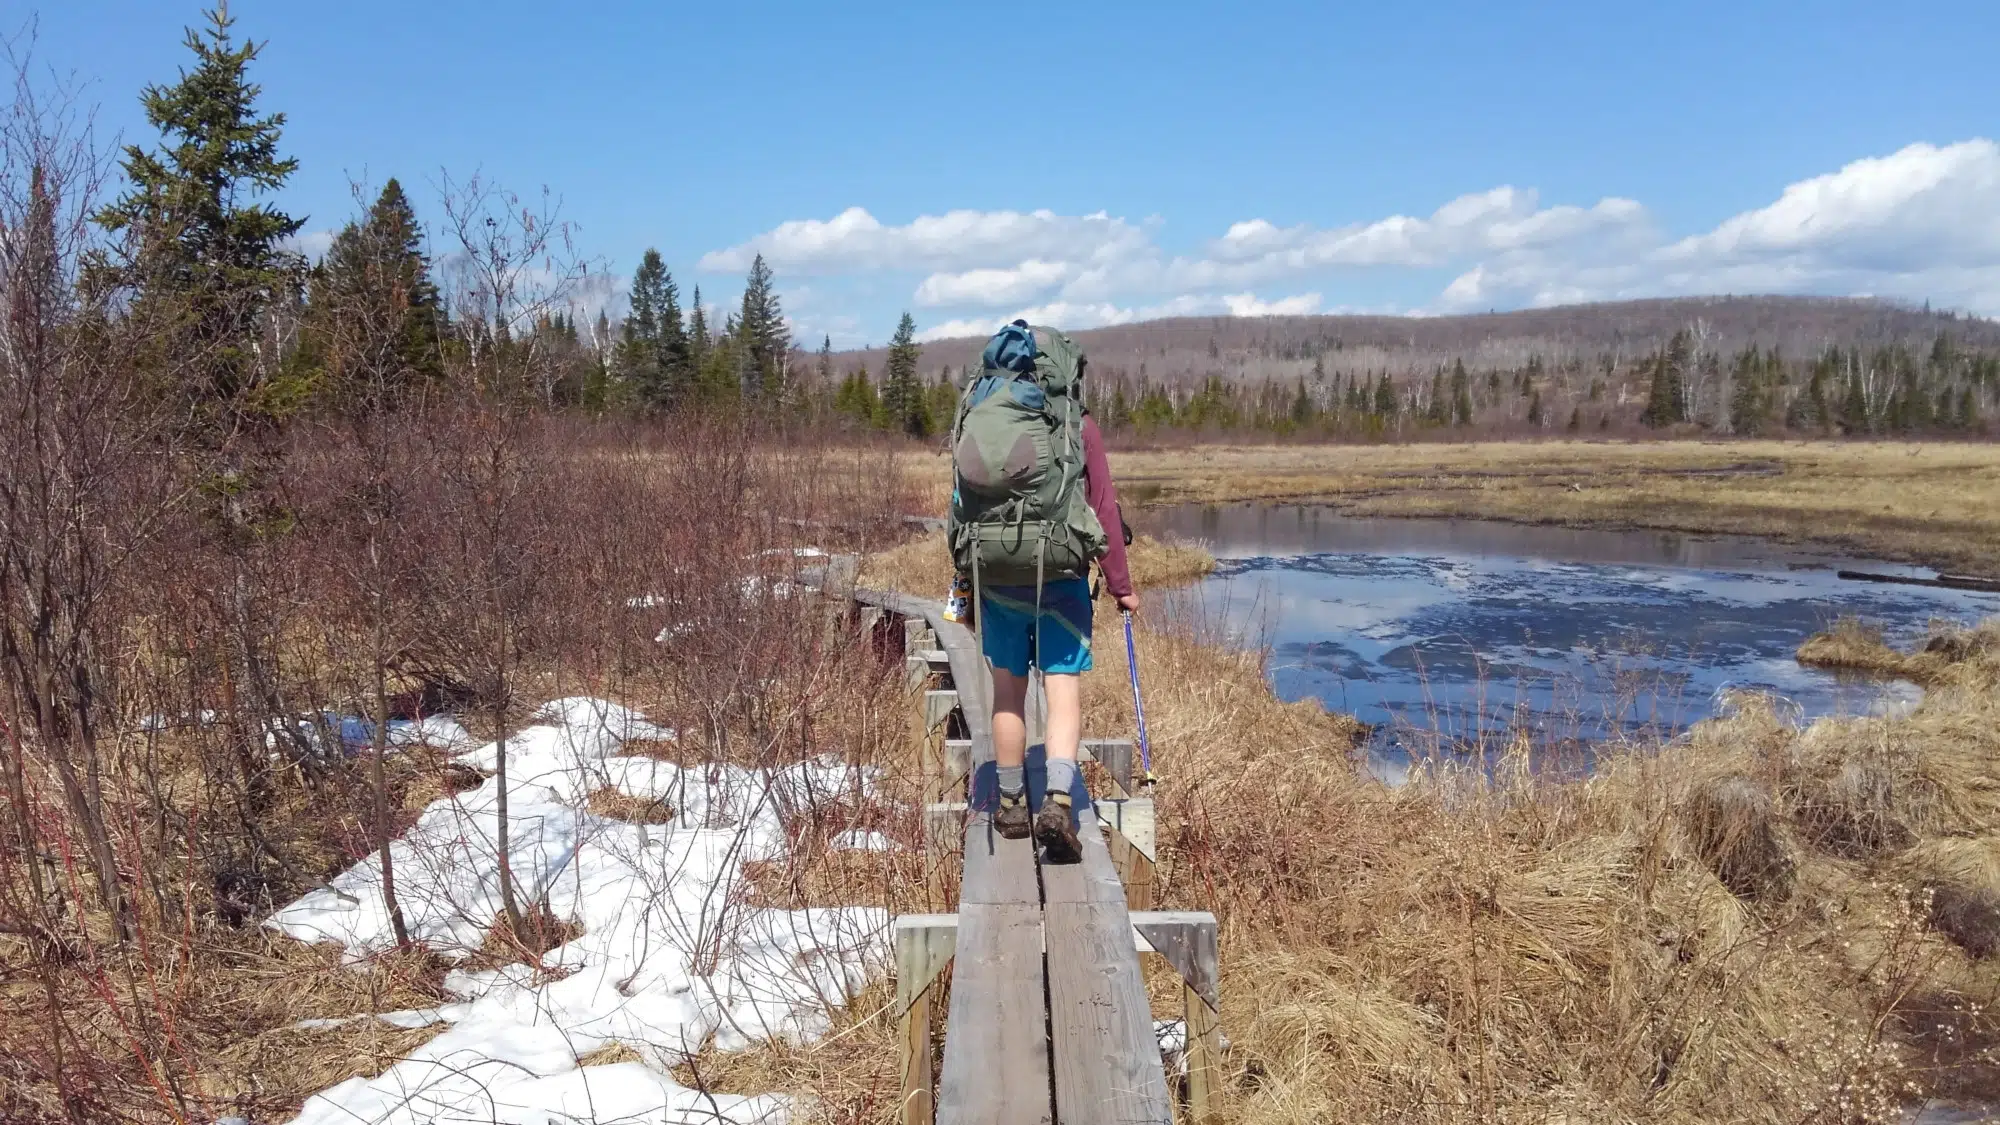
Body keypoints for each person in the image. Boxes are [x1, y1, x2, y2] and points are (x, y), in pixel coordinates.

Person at [976, 390, 1136, 860]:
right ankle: (1059, 800)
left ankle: (1009, 805)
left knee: (1007, 691)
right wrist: (1121, 584)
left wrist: (963, 586)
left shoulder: (984, 421)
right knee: (1061, 687)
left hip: (999, 577)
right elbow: (1103, 508)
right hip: (1063, 577)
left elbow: (962, 509)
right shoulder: (1077, 423)